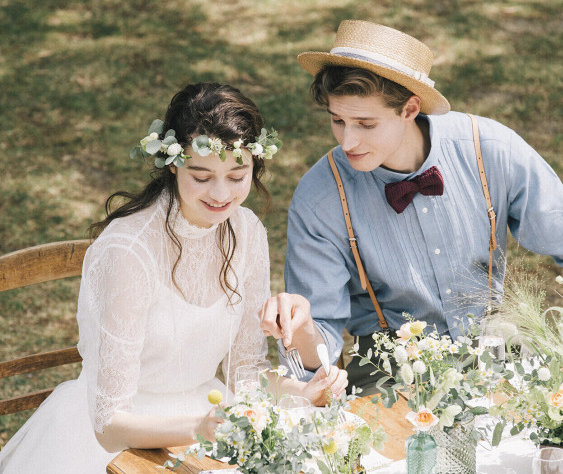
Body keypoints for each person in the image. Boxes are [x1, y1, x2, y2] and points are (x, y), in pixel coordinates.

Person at [259, 20, 563, 395]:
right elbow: (317, 342)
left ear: (409, 109)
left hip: (499, 359)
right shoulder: (320, 196)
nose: (347, 141)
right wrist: (305, 327)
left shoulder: (489, 148)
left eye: (365, 123)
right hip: (389, 380)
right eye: (337, 121)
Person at [0, 82, 347, 474]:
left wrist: (302, 392)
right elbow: (108, 425)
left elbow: (245, 371)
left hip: (208, 416)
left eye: (237, 176)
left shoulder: (247, 231)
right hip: (116, 444)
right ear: (173, 163)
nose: (221, 194)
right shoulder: (129, 251)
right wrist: (198, 428)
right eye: (201, 176)